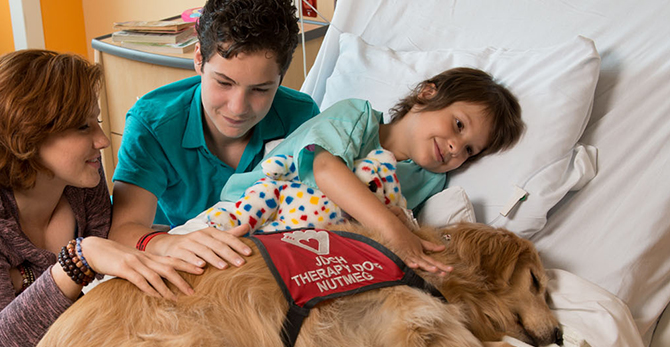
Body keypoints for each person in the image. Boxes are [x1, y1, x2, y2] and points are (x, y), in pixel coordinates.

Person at [0, 50, 202, 347]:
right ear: (25, 136)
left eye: (96, 121)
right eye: (83, 127)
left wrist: (21, 278)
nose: (102, 141)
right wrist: (78, 259)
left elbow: (101, 268)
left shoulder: (81, 178)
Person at [218, 67, 526, 273]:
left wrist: (403, 223)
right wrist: (393, 230)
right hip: (243, 214)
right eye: (458, 125)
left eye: (470, 150)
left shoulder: (430, 179)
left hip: (298, 246)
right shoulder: (357, 117)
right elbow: (325, 169)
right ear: (427, 94)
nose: (456, 148)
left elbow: (402, 216)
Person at [109, 0, 320, 271]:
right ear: (199, 59)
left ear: (281, 77)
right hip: (172, 254)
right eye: (224, 82)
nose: (238, 108)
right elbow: (122, 231)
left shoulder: (300, 116)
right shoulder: (152, 124)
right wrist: (169, 243)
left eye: (260, 90)